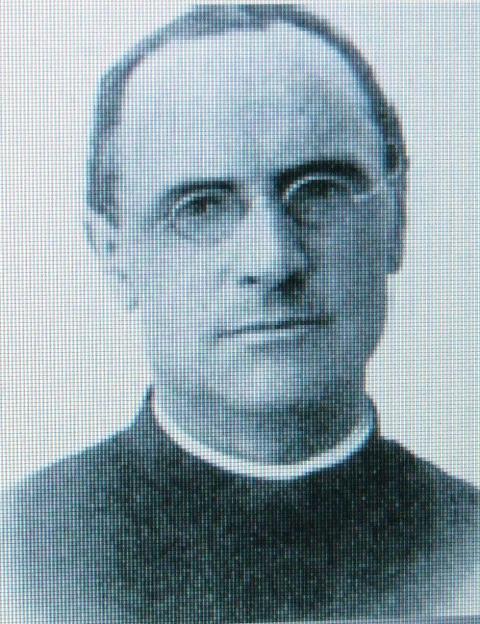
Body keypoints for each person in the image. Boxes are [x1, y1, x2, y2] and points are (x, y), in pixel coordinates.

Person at [2, 4, 479, 623]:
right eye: (201, 208)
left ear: (395, 217)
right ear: (115, 253)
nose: (274, 261)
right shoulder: (23, 557)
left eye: (321, 191)